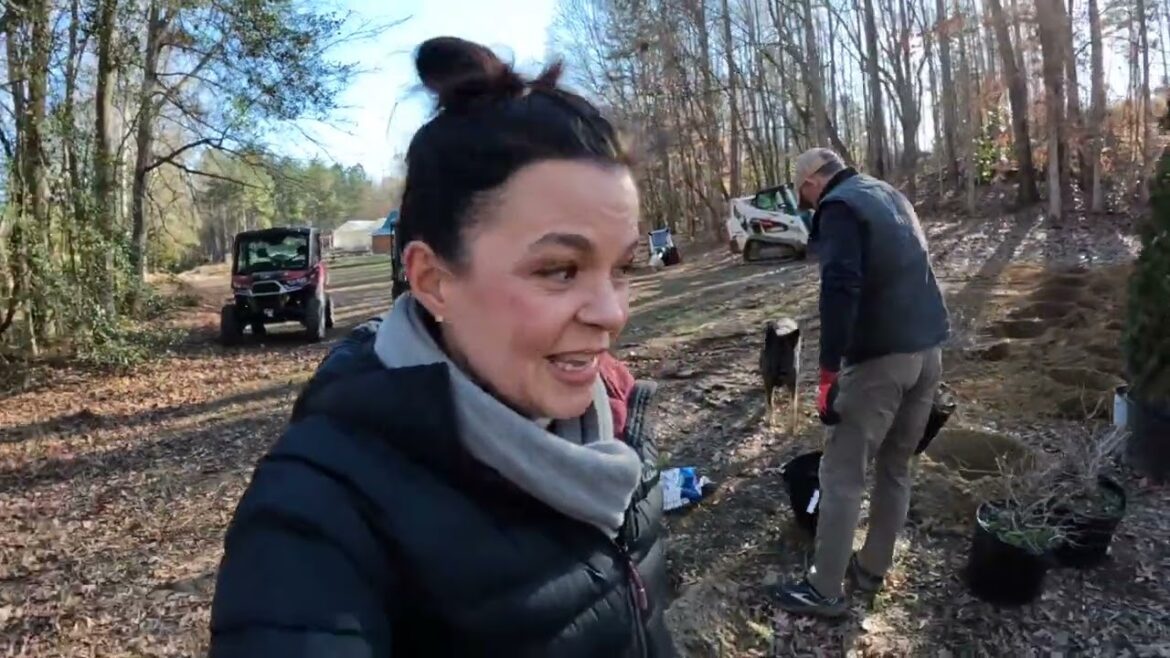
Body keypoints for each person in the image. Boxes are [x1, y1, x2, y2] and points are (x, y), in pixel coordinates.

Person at [208, 36, 676, 657]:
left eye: (621, 268)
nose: (612, 314)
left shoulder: (612, 416)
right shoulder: (319, 516)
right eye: (560, 270)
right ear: (433, 281)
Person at [772, 148, 950, 618]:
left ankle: (825, 589)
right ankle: (872, 569)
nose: (805, 204)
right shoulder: (889, 194)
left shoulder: (840, 206)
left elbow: (840, 286)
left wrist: (828, 372)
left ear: (812, 181)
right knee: (895, 467)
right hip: (928, 353)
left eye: (801, 193)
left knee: (842, 475)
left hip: (879, 363)